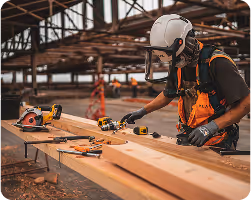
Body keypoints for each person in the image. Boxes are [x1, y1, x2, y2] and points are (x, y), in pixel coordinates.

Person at [121, 14, 251, 150]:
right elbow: (168, 94)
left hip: (218, 140)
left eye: (174, 56)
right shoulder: (178, 63)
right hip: (190, 137)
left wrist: (210, 127)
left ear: (185, 43)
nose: (173, 61)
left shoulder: (217, 62)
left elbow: (247, 103)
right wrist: (142, 111)